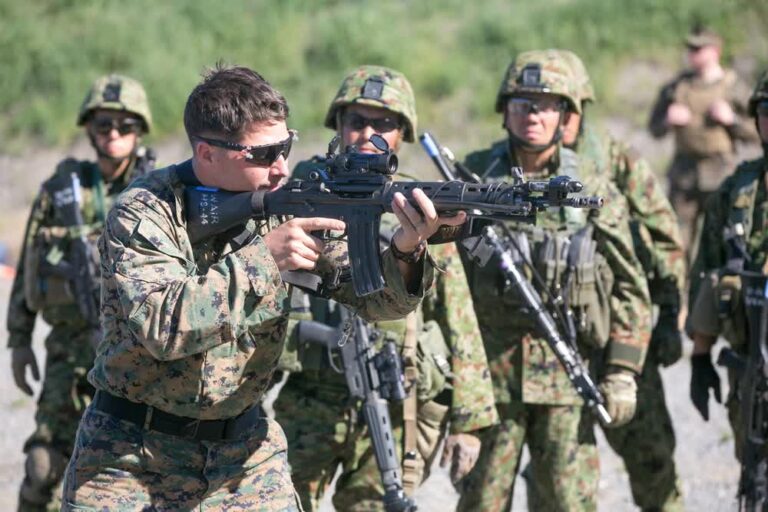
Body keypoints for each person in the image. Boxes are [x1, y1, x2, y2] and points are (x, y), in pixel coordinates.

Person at [60, 64, 461, 511]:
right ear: (207, 153)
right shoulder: (143, 213)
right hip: (130, 456)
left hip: (242, 454)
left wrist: (408, 246)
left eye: (285, 147)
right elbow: (163, 327)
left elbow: (376, 298)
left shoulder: (280, 204)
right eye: (264, 155)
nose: (281, 168)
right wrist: (264, 260)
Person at [273, 65, 499, 511]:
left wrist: (470, 419)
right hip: (313, 395)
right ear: (338, 125)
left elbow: (458, 313)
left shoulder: (418, 205)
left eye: (384, 124)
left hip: (396, 399)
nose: (367, 133)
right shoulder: (301, 190)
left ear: (403, 134)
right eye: (357, 121)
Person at [455, 50, 652, 512]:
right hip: (490, 385)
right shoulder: (470, 177)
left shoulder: (590, 183)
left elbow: (629, 285)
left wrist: (623, 371)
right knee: (481, 500)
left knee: (568, 501)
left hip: (567, 378)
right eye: (522, 102)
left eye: (546, 104)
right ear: (505, 108)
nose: (533, 114)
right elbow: (444, 281)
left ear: (565, 115)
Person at [6, 74, 154, 512]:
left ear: (140, 130)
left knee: (131, 471)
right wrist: (18, 340)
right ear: (89, 128)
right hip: (68, 350)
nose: (113, 135)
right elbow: (30, 265)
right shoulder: (60, 189)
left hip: (133, 354)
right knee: (43, 466)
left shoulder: (160, 191)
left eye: (125, 126)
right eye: (104, 125)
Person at [560, 49, 686, 511]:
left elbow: (664, 238)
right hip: (553, 341)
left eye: (564, 106)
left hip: (621, 332)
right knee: (560, 476)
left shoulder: (614, 158)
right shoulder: (513, 164)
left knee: (652, 458)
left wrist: (669, 318)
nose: (555, 116)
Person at [687, 69, 768, 468]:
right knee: (752, 471)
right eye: (767, 108)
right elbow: (709, 270)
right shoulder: (738, 189)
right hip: (749, 362)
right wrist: (700, 358)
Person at [648, 26, 758, 253]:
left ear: (715, 51)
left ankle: (714, 288)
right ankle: (679, 287)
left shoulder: (733, 87)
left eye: (699, 48)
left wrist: (732, 120)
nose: (693, 53)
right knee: (676, 243)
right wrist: (669, 120)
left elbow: (758, 131)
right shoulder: (676, 87)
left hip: (720, 175)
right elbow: (654, 128)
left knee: (718, 243)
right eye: (691, 48)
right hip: (683, 175)